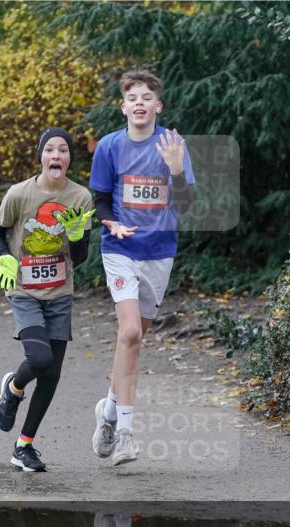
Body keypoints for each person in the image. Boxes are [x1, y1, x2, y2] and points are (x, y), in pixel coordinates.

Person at [89, 70, 194, 466]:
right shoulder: (109, 146)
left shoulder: (173, 144)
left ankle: (109, 412)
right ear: (123, 106)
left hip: (159, 252)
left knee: (132, 342)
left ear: (157, 106)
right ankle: (127, 436)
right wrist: (110, 222)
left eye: (146, 97)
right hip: (120, 249)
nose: (139, 103)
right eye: (132, 97)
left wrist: (177, 169)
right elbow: (100, 198)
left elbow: (185, 207)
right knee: (129, 331)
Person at [0, 127, 95, 472]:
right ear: (41, 156)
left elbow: (79, 257)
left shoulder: (80, 197)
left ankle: (24, 446)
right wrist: (4, 255)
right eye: (49, 149)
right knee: (40, 357)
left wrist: (78, 237)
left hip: (60, 293)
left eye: (62, 150)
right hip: (24, 290)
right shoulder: (19, 194)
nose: (56, 155)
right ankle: (14, 387)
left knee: (51, 375)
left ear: (68, 159)